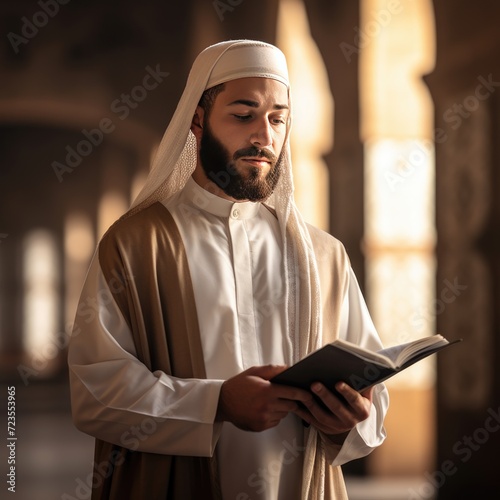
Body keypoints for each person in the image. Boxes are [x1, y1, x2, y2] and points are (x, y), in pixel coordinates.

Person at [68, 39, 389, 500]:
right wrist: (216, 404)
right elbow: (94, 390)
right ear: (197, 121)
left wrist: (349, 420)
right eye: (244, 115)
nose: (264, 135)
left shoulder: (324, 255)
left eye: (278, 119)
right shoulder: (137, 244)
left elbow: (373, 403)